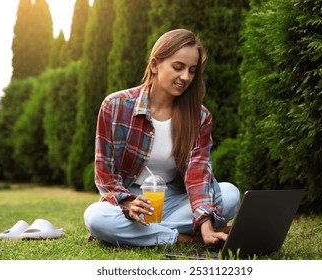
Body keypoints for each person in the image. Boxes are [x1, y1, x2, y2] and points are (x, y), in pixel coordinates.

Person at [84, 29, 240, 247]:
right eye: (178, 67)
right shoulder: (115, 106)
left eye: (192, 70)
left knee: (230, 193)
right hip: (133, 201)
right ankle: (183, 239)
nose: (185, 77)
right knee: (96, 217)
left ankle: (137, 235)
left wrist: (204, 223)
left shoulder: (199, 116)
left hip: (175, 200)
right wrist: (129, 204)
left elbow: (198, 173)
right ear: (155, 65)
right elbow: (105, 176)